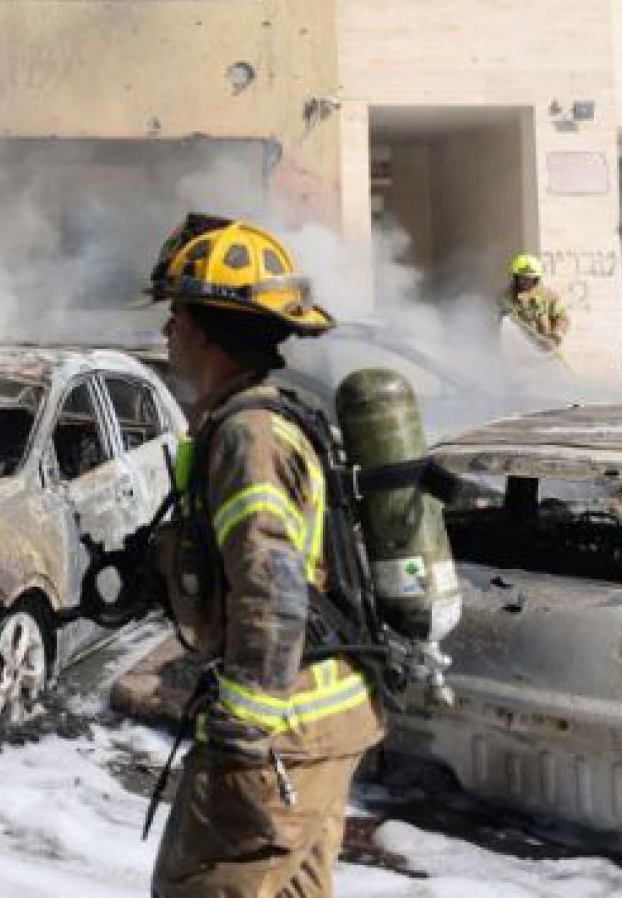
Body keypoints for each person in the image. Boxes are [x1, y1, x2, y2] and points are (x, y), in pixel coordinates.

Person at [146, 217, 385, 898]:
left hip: (281, 731)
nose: (166, 333)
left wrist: (243, 729)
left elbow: (272, 584)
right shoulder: (282, 412)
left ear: (205, 329)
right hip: (329, 718)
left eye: (175, 316)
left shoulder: (248, 436)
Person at [504, 254, 570, 354]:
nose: (525, 282)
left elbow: (562, 318)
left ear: (536, 278)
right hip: (518, 355)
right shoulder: (506, 299)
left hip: (547, 352)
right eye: (521, 278)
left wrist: (555, 337)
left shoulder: (548, 296)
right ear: (516, 278)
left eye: (529, 279)